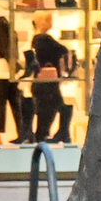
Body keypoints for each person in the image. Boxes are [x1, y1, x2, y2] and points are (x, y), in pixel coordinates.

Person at [26, 12, 74, 145]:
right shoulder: (42, 39)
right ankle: (58, 134)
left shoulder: (40, 39)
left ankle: (57, 133)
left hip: (44, 80)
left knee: (53, 106)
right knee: (53, 106)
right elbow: (63, 50)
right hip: (46, 81)